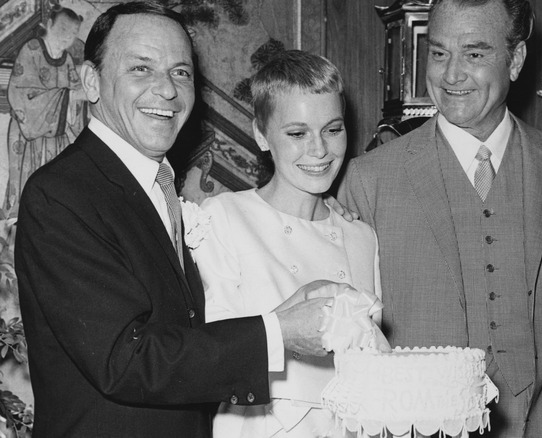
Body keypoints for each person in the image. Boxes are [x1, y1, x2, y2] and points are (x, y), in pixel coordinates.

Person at [14, 3, 356, 436]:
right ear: (90, 82)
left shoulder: (158, 186)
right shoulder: (62, 194)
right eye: (141, 68)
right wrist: (278, 333)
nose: (168, 90)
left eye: (181, 72)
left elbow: (189, 335)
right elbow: (125, 360)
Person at [339, 0, 542, 436]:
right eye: (438, 53)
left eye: (474, 53)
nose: (451, 75)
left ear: (516, 60)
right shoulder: (370, 180)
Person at [194, 50, 383, 438]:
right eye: (297, 133)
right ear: (262, 134)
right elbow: (212, 358)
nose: (319, 150)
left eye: (332, 129)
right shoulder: (224, 217)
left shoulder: (361, 236)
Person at [5, 6, 88, 213]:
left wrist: (77, 98)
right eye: (62, 30)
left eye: (72, 34)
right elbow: (21, 93)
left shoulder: (67, 60)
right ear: (49, 25)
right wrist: (66, 96)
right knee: (27, 189)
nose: (66, 38)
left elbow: (77, 98)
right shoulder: (32, 49)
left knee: (55, 190)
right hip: (28, 135)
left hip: (57, 137)